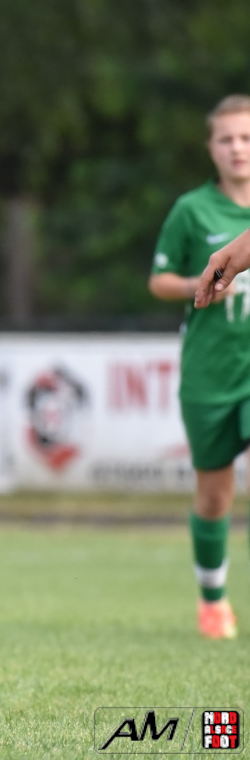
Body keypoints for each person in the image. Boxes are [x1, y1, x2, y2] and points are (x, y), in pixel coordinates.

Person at [149, 94, 250, 640]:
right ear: (211, 148)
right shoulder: (192, 210)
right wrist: (200, 281)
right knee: (214, 494)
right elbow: (159, 279)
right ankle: (213, 601)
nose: (238, 148)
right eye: (227, 138)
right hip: (211, 372)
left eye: (247, 137)